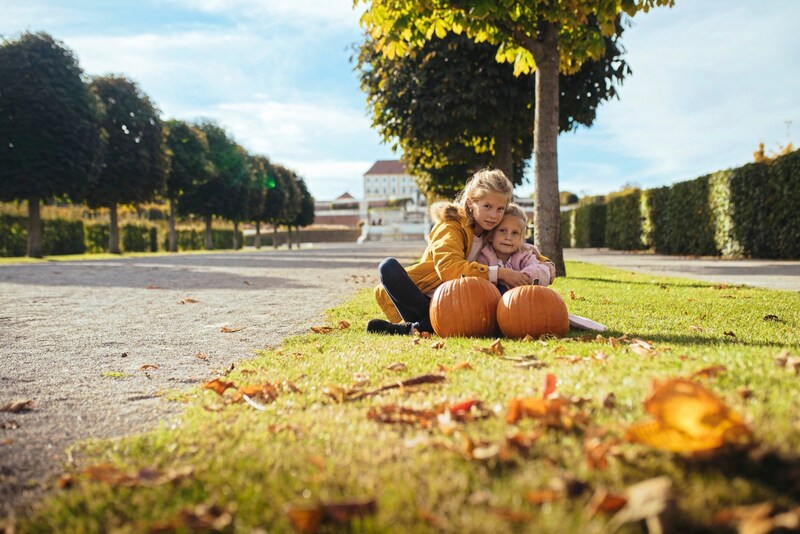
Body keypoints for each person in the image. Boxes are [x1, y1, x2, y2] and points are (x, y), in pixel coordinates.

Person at [367, 168, 531, 335]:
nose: (494, 215)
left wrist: (545, 263)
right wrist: (500, 273)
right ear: (470, 203)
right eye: (487, 206)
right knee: (388, 267)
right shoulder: (451, 227)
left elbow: (524, 247)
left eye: (500, 209)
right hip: (428, 298)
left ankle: (412, 328)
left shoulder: (493, 232)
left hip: (462, 302)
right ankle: (428, 323)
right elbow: (449, 269)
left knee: (498, 295)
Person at [475, 203, 556, 292]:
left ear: (521, 239)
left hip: (521, 298)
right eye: (502, 231)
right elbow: (478, 279)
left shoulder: (524, 254)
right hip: (492, 299)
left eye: (515, 233)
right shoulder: (484, 256)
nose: (508, 237)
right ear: (490, 236)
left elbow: (541, 270)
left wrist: (522, 278)